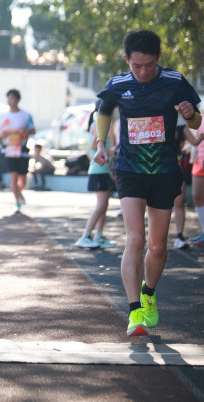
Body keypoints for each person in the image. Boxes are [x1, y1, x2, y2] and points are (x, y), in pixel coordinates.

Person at [93, 30, 201, 337]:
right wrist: (101, 144)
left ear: (159, 59)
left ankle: (149, 293)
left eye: (149, 65)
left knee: (157, 245)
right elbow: (103, 112)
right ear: (126, 59)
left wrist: (190, 115)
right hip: (130, 168)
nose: (142, 71)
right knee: (135, 238)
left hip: (165, 170)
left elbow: (196, 121)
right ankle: (134, 312)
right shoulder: (117, 84)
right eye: (136, 65)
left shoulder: (175, 81)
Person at [75, 102, 117, 249]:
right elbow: (94, 146)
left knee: (104, 205)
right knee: (100, 206)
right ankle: (85, 236)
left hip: (102, 170)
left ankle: (98, 236)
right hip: (98, 171)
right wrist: (110, 152)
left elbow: (89, 152)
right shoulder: (101, 125)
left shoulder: (102, 124)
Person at [0, 89, 35, 212]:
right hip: (9, 149)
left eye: (12, 98)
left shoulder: (26, 115)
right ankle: (17, 202)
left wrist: (24, 131)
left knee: (22, 180)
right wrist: (2, 133)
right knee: (13, 177)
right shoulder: (3, 117)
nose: (10, 100)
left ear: (18, 99)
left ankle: (19, 192)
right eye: (8, 98)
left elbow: (33, 130)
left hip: (22, 149)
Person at [171, 121, 200, 248]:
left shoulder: (181, 125)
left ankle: (179, 236)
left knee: (179, 202)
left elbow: (195, 142)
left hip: (177, 168)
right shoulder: (156, 118)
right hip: (158, 167)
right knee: (157, 204)